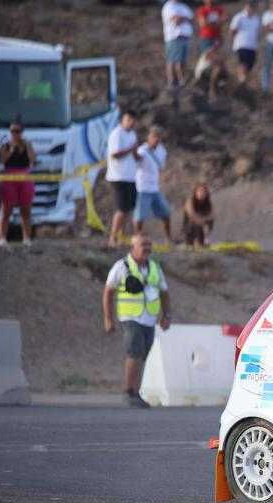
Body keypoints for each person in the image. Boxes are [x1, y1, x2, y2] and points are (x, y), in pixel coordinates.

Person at [103, 234, 171, 409]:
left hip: (149, 319)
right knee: (135, 352)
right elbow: (108, 292)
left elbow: (164, 292)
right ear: (132, 248)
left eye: (149, 244)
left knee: (142, 355)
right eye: (143, 245)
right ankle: (129, 391)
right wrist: (108, 318)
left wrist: (166, 315)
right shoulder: (121, 266)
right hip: (130, 318)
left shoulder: (154, 267)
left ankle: (136, 391)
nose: (147, 248)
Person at [0, 121, 36, 248]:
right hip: (8, 177)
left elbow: (32, 160)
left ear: (22, 132)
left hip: (24, 176)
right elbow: (1, 160)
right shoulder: (5, 145)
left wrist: (27, 147)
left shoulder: (27, 144)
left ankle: (27, 238)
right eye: (12, 131)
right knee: (6, 209)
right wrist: (11, 150)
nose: (14, 134)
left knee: (26, 210)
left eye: (17, 131)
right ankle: (2, 238)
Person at [106, 110, 141, 247]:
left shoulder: (132, 134)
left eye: (133, 120)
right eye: (128, 120)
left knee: (128, 209)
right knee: (121, 209)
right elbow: (115, 154)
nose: (130, 123)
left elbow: (134, 154)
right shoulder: (116, 134)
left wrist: (137, 154)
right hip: (118, 176)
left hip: (130, 177)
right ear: (123, 120)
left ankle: (121, 237)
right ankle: (112, 238)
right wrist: (130, 149)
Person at [133, 127, 172, 244]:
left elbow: (161, 167)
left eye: (158, 137)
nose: (156, 139)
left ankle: (168, 239)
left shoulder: (162, 150)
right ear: (148, 137)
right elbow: (137, 158)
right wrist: (133, 150)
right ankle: (137, 238)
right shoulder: (142, 150)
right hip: (142, 188)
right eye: (153, 136)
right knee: (140, 216)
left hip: (155, 188)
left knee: (166, 212)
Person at [162, 0, 193, 89]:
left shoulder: (183, 6)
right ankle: (172, 81)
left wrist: (182, 18)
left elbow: (191, 17)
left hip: (185, 37)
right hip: (174, 37)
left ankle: (181, 81)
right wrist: (185, 18)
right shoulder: (169, 6)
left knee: (182, 61)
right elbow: (176, 20)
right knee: (173, 60)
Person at [229, 0, 262, 86]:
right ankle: (241, 80)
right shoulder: (239, 17)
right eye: (249, 6)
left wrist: (257, 43)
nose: (251, 8)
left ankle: (244, 82)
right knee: (242, 63)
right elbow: (232, 30)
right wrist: (232, 42)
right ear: (246, 6)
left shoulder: (256, 19)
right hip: (241, 44)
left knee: (250, 66)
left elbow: (257, 32)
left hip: (252, 46)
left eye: (253, 6)